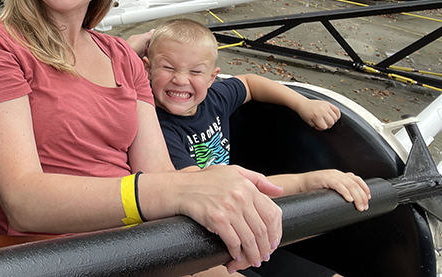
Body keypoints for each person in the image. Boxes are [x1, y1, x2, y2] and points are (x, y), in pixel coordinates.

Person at [0, 0, 283, 275]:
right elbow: (23, 201)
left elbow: (159, 174)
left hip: (137, 246)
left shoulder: (122, 57)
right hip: (46, 261)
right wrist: (176, 191)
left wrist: (224, 187)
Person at [144, 19, 371, 277]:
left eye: (195, 72)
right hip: (196, 237)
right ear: (147, 68)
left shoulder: (215, 98)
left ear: (211, 78)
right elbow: (212, 193)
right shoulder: (156, 129)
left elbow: (250, 83)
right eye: (168, 67)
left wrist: (302, 104)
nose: (181, 79)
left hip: (241, 225)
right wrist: (306, 182)